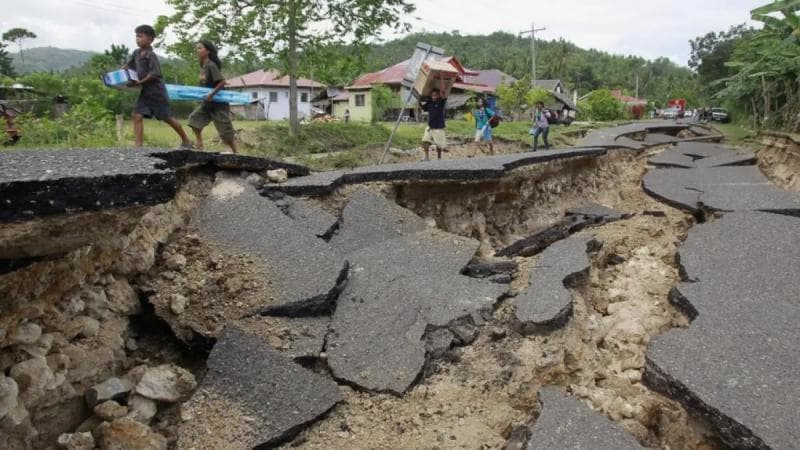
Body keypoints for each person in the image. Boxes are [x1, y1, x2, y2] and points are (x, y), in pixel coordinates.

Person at [124, 25, 192, 149]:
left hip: (157, 93)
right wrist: (119, 77)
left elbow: (155, 74)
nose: (137, 39)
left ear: (150, 39)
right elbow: (128, 67)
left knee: (167, 118)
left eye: (140, 36)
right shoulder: (136, 53)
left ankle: (186, 140)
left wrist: (139, 82)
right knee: (137, 115)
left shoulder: (151, 55)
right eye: (136, 36)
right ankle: (138, 146)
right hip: (145, 93)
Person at [187, 40, 237, 153]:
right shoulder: (203, 65)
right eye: (197, 48)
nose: (197, 50)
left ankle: (235, 151)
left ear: (208, 51)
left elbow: (222, 82)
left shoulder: (211, 65)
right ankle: (199, 144)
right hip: (207, 103)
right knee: (194, 120)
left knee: (225, 132)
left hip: (219, 104)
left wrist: (211, 94)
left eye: (200, 48)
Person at [420, 78, 448, 161]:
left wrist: (441, 76)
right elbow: (423, 107)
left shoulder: (441, 102)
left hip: (438, 127)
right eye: (432, 95)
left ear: (438, 95)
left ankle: (439, 158)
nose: (433, 97)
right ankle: (426, 157)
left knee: (439, 145)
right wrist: (419, 99)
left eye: (435, 95)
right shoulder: (429, 102)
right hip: (430, 126)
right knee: (425, 141)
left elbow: (443, 91)